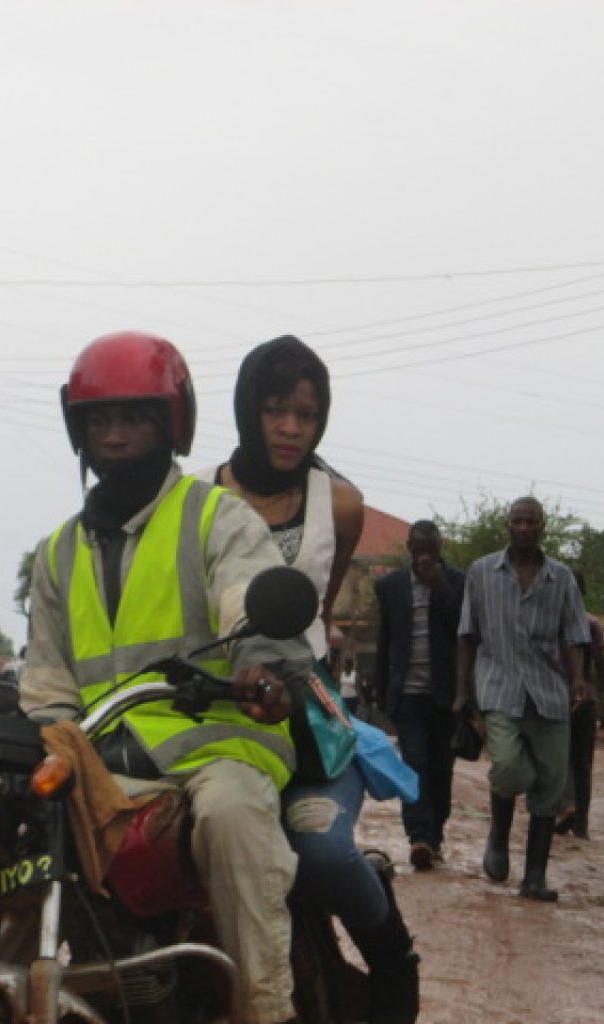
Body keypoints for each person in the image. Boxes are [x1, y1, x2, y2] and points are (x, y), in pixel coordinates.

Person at [16, 331, 312, 1024]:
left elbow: (249, 596)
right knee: (13, 839)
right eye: (99, 419)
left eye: (134, 418)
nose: (114, 436)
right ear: (77, 429)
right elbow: (49, 681)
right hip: (104, 763)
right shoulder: (56, 553)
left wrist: (261, 669)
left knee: (232, 818)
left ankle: (265, 1009)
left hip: (215, 749)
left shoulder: (217, 517)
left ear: (171, 424)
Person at [200, 334, 419, 1024]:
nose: (291, 428)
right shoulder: (199, 500)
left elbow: (318, 611)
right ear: (246, 411)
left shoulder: (343, 504)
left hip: (310, 718)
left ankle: (390, 955)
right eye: (274, 410)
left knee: (319, 849)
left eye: (306, 412)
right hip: (219, 714)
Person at [455, 497, 590, 902]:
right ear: (507, 525)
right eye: (518, 521)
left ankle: (534, 876)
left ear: (543, 527)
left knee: (550, 783)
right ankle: (498, 835)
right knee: (510, 766)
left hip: (549, 691)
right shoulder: (481, 572)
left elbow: (574, 636)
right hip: (499, 685)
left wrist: (578, 680)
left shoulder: (561, 579)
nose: (525, 527)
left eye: (532, 521)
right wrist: (463, 691)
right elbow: (467, 634)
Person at [374, 521, 465, 871]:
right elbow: (386, 641)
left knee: (441, 769)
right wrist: (381, 688)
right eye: (418, 547)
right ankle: (419, 837)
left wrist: (437, 583)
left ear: (440, 546)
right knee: (414, 764)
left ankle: (435, 832)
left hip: (444, 695)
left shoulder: (458, 582)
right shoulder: (390, 585)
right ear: (409, 546)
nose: (424, 553)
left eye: (431, 547)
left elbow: (462, 626)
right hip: (407, 694)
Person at [554, 571, 604, 839]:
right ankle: (581, 824)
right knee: (583, 763)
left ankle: (564, 807)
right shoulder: (591, 623)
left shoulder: (552, 620)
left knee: (558, 759)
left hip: (556, 700)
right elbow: (601, 666)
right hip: (587, 700)